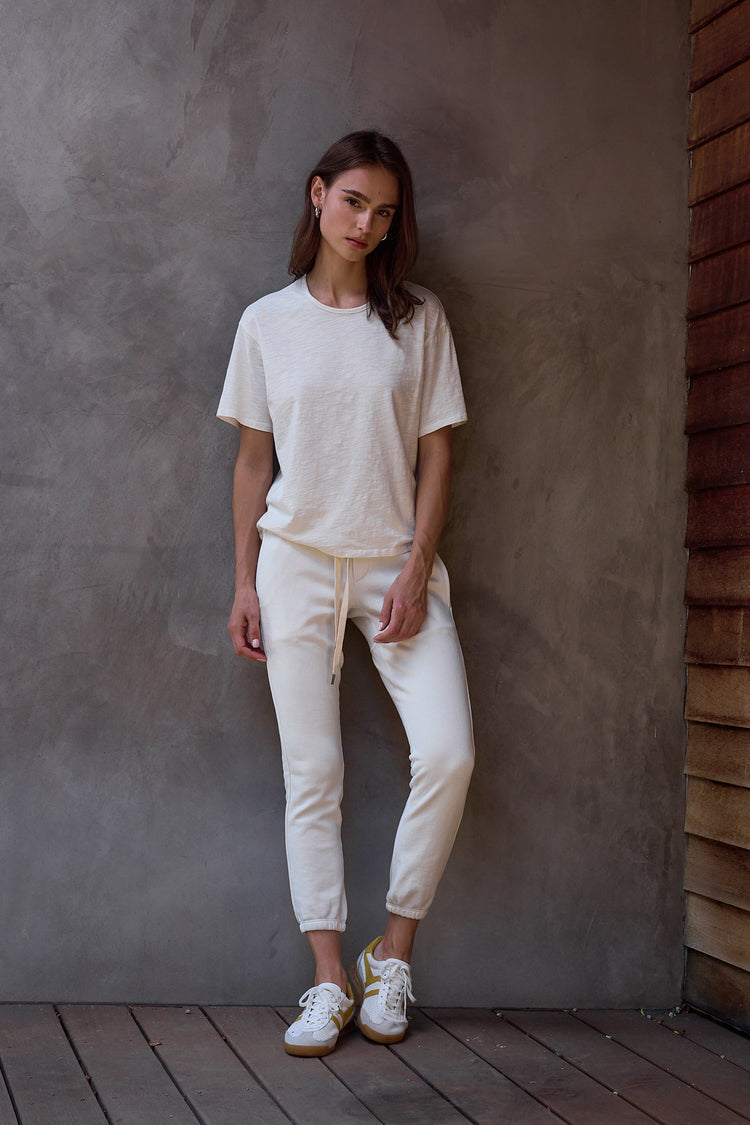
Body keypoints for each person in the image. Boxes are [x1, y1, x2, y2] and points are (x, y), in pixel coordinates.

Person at [217, 131, 474, 1058]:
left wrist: (415, 568)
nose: (368, 224)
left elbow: (438, 454)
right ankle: (328, 979)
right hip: (292, 564)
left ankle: (390, 952)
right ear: (318, 194)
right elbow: (253, 462)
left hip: (393, 563)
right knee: (313, 777)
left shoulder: (419, 319)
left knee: (448, 752)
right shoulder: (266, 322)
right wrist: (245, 581)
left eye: (386, 211)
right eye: (355, 202)